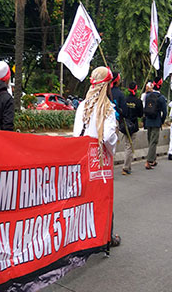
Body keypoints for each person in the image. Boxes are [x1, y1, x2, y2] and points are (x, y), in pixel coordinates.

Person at [73, 66, 120, 247]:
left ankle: (82, 238)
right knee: (104, 200)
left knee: (83, 200)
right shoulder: (107, 108)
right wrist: (112, 145)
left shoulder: (82, 106)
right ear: (107, 85)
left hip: (82, 158)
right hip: (99, 162)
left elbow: (76, 134)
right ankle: (106, 236)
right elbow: (108, 137)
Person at [144, 78, 167, 169]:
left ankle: (153, 160)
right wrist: (161, 121)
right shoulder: (161, 98)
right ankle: (148, 162)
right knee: (154, 142)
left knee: (150, 141)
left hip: (148, 121)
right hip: (156, 121)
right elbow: (164, 112)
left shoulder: (147, 96)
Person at [121, 81, 143, 175]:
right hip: (133, 126)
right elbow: (140, 114)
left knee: (127, 145)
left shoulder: (124, 100)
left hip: (125, 125)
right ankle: (126, 167)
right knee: (129, 146)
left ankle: (128, 166)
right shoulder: (138, 101)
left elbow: (122, 112)